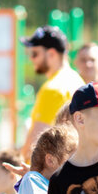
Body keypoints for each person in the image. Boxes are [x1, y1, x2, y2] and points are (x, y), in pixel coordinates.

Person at [21, 25, 84, 156]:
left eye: (35, 53)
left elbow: (36, 143)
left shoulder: (53, 88)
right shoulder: (77, 80)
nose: (31, 59)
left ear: (51, 54)